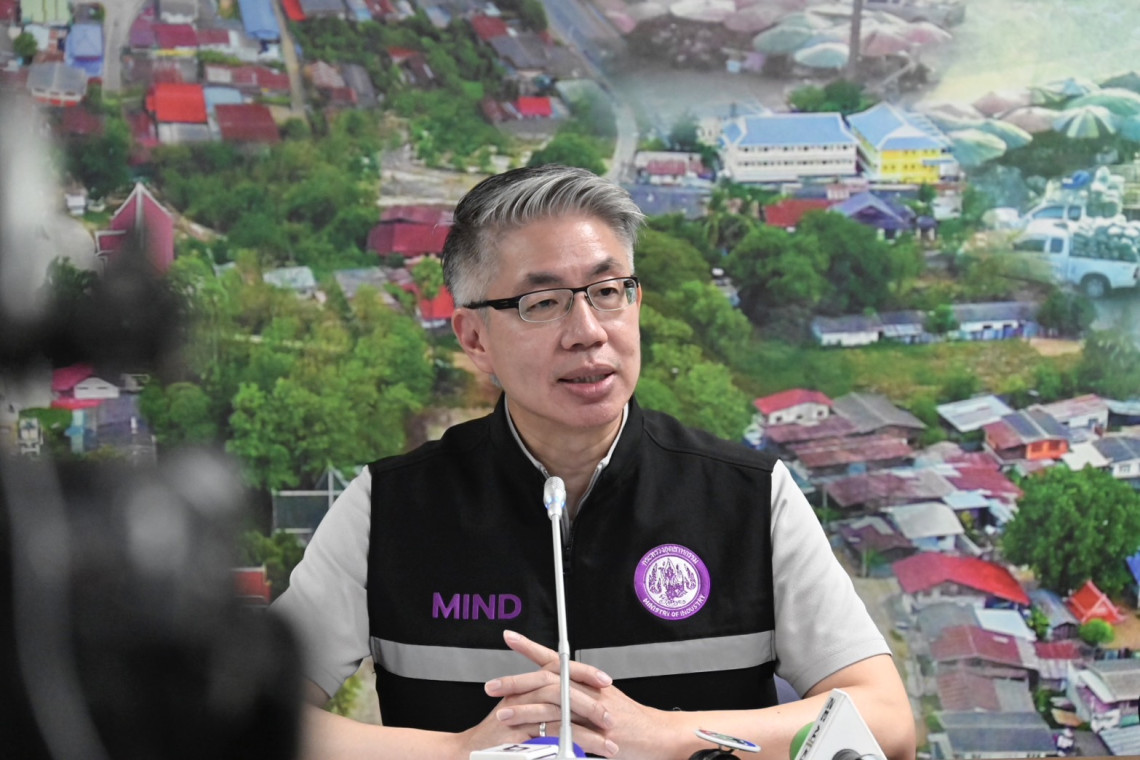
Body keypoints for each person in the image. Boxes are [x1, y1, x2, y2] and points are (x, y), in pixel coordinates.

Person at [272, 165, 915, 760]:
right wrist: (459, 754)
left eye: (608, 291)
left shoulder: (749, 498)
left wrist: (669, 736)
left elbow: (886, 723)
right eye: (543, 303)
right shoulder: (389, 509)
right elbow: (247, 718)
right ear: (474, 337)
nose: (588, 331)